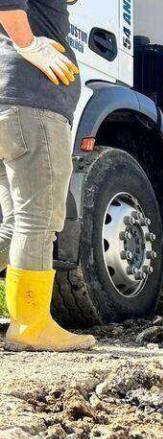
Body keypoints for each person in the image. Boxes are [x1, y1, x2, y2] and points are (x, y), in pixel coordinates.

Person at [0, 1, 94, 351]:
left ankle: (29, 321)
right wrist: (29, 44)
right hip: (33, 108)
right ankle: (30, 326)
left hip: (13, 104)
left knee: (15, 225)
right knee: (38, 220)